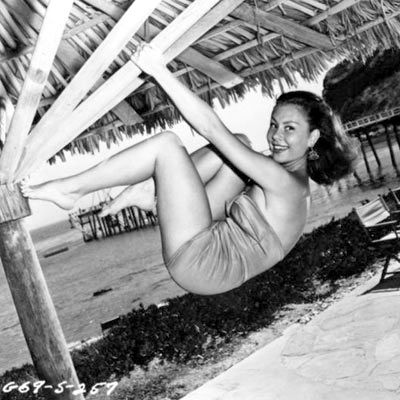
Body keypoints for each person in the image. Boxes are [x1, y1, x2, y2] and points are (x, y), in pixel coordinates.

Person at [21, 44, 358, 295]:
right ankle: (152, 194)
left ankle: (72, 190)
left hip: (203, 264)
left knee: (167, 146)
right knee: (238, 145)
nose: (276, 136)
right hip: (213, 246)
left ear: (313, 137)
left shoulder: (283, 182)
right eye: (274, 124)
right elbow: (229, 147)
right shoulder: (289, 178)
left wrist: (159, 72)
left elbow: (211, 128)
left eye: (290, 129)